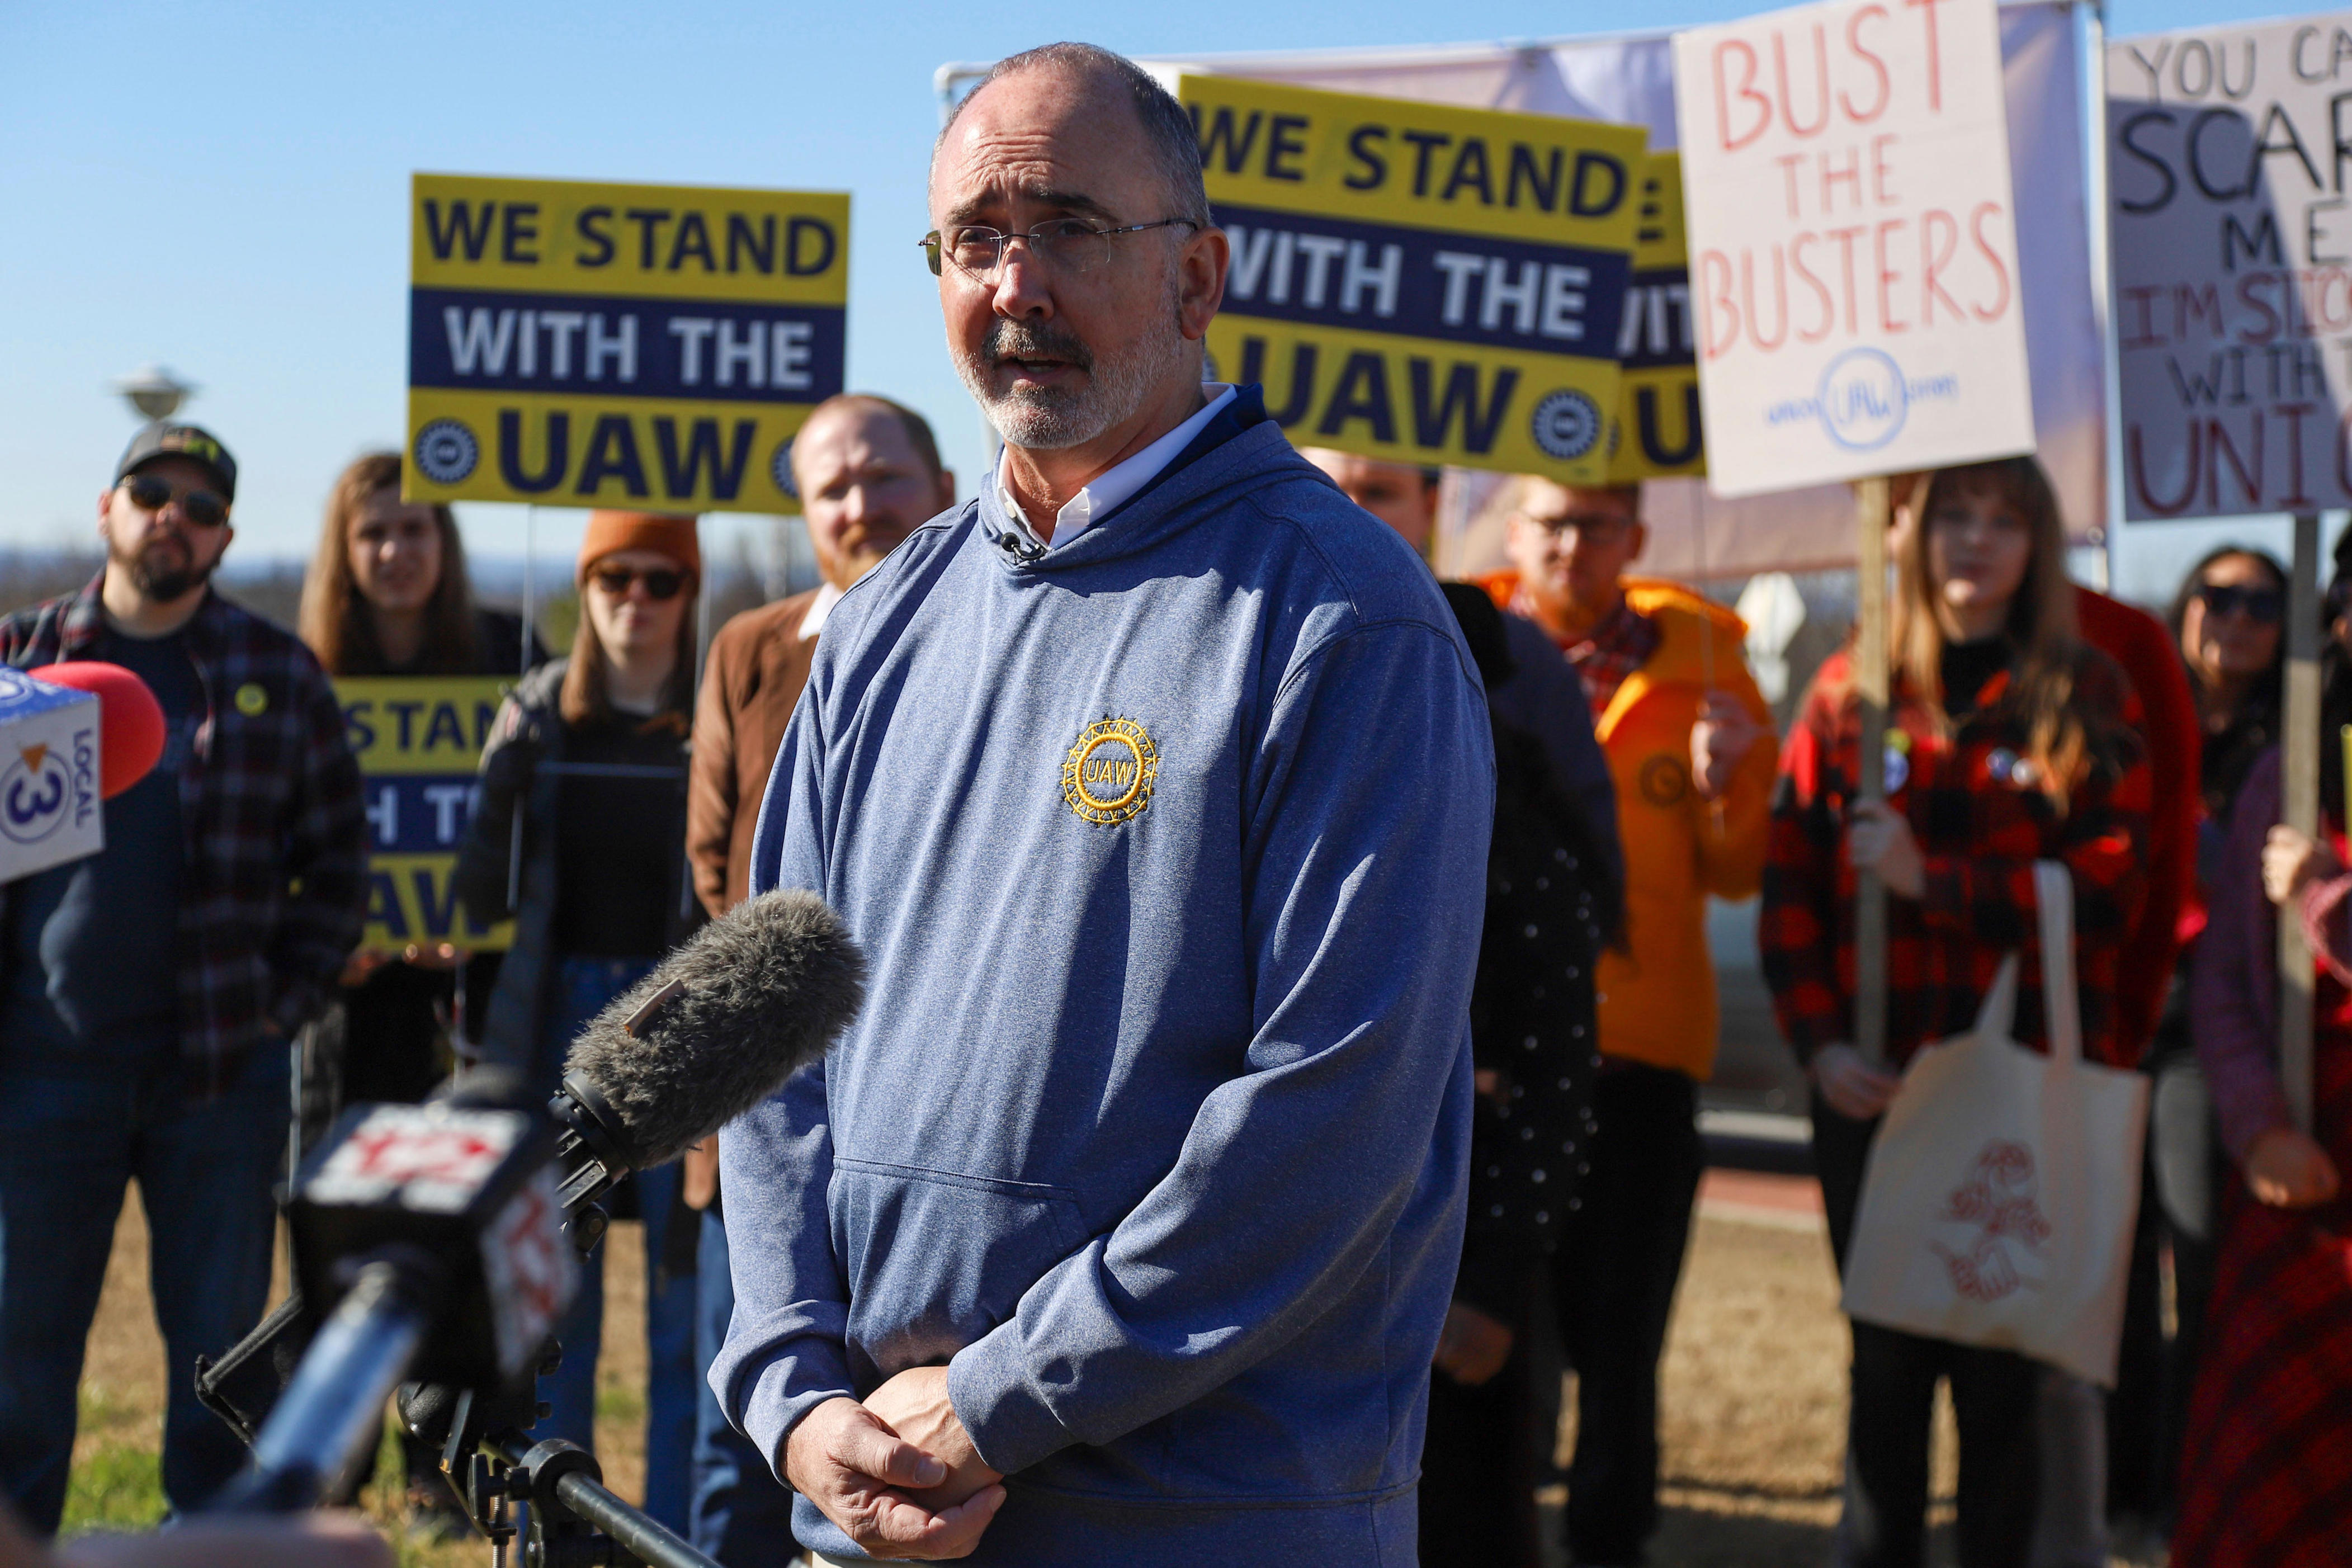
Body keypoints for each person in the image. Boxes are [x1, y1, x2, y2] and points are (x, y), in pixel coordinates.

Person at [711, 42, 1493, 1567]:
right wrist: (793, 1387)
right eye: (971, 240)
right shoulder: (880, 623)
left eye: (1068, 227)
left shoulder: (1342, 620)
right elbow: (764, 1035)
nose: (1013, 283)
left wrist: (1000, 1397)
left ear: (1196, 276)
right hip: (869, 1493)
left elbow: (1332, 1115)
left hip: (1203, 1517)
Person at [1762, 456, 2151, 1568]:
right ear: (1914, 535)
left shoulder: (2086, 693)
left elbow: (2115, 891)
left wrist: (1935, 881)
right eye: (1956, 518)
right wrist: (1821, 1044)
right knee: (1883, 1378)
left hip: (2014, 1099)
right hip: (1877, 1095)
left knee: (2001, 1390)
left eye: (2005, 521)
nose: (1976, 542)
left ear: (2039, 547)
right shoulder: (1850, 692)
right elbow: (1791, 888)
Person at [0, 423, 369, 1529]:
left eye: (201, 506)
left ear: (226, 539)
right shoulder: (20, 663)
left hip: (220, 1078)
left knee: (216, 1375)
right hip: (41, 1070)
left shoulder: (274, 673)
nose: (175, 514)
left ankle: (207, 1554)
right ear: (108, 508)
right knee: (16, 1362)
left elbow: (341, 867)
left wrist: (280, 1012)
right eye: (152, 491)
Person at [1301, 446, 1621, 1568]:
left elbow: (1550, 1040)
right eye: (1322, 484)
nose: (1346, 512)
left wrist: (1491, 1280)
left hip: (1446, 1272)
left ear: (1436, 505)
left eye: (1380, 488)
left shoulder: (1503, 729)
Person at [1471, 475, 1775, 1568]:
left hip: (1640, 1057)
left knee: (1622, 1339)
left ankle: (1610, 1542)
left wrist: (1731, 788)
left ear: (1636, 539)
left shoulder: (1709, 669)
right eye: (1549, 523)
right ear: (1511, 533)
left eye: (1596, 526)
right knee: (1494, 1334)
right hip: (1498, 1056)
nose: (1571, 546)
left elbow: (1740, 874)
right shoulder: (1462, 640)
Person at [682, 395, 952, 1566]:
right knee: (738, 1443)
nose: (861, 506)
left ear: (943, 482)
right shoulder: (752, 649)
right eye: (832, 489)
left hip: (932, 1128)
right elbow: (716, 865)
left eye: (884, 477)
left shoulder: (1003, 641)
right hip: (775, 1103)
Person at [294, 450, 545, 1532]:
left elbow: (537, 834)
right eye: (373, 533)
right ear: (344, 555)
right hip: (347, 1003)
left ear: (444, 547)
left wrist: (477, 928)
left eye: (415, 530)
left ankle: (438, 1463)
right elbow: (278, 836)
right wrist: (322, 934)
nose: (395, 551)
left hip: (469, 997)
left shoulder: (508, 654)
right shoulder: (306, 672)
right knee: (337, 1225)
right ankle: (329, 1461)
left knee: (459, 1217)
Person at [452, 512, 703, 1532]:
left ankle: (682, 1531)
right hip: (561, 1024)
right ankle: (561, 1533)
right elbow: (476, 903)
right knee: (561, 1310)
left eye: (659, 580)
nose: (633, 601)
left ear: (689, 593)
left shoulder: (713, 709)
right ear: (584, 585)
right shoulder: (537, 708)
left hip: (686, 1020)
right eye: (612, 577)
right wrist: (500, 793)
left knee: (687, 1313)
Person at [2094, 548, 2277, 1543]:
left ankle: (2184, 1481)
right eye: (2219, 596)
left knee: (2199, 1259)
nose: (2237, 620)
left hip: (2213, 1032)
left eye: (2262, 604)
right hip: (2124, 1007)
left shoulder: (2293, 731)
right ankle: (2120, 1490)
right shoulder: (2130, 706)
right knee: (2112, 1271)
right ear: (2184, 608)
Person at [2171, 613, 2352, 1567]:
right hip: (2304, 1163)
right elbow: (2228, 981)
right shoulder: (2290, 773)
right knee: (2269, 1489)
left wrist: (2328, 902)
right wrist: (2257, 1126)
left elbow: (2318, 907)